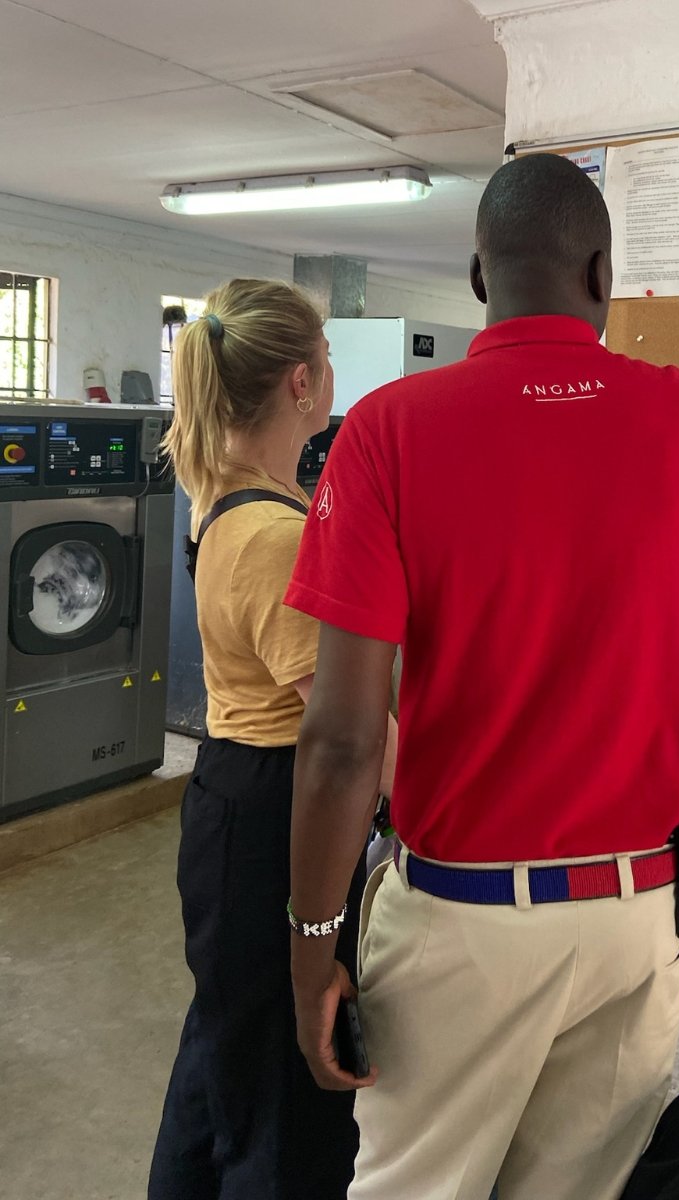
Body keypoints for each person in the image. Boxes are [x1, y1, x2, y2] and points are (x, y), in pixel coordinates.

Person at [283, 153, 679, 1200]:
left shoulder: (388, 434)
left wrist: (315, 947)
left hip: (463, 925)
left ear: (481, 278)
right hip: (637, 919)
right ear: (602, 275)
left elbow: (341, 741)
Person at [148, 278, 396, 1200]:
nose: (331, 375)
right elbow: (339, 731)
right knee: (288, 1096)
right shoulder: (275, 536)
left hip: (234, 799)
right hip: (273, 815)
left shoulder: (235, 497)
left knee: (227, 1057)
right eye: (326, 357)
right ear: (303, 383)